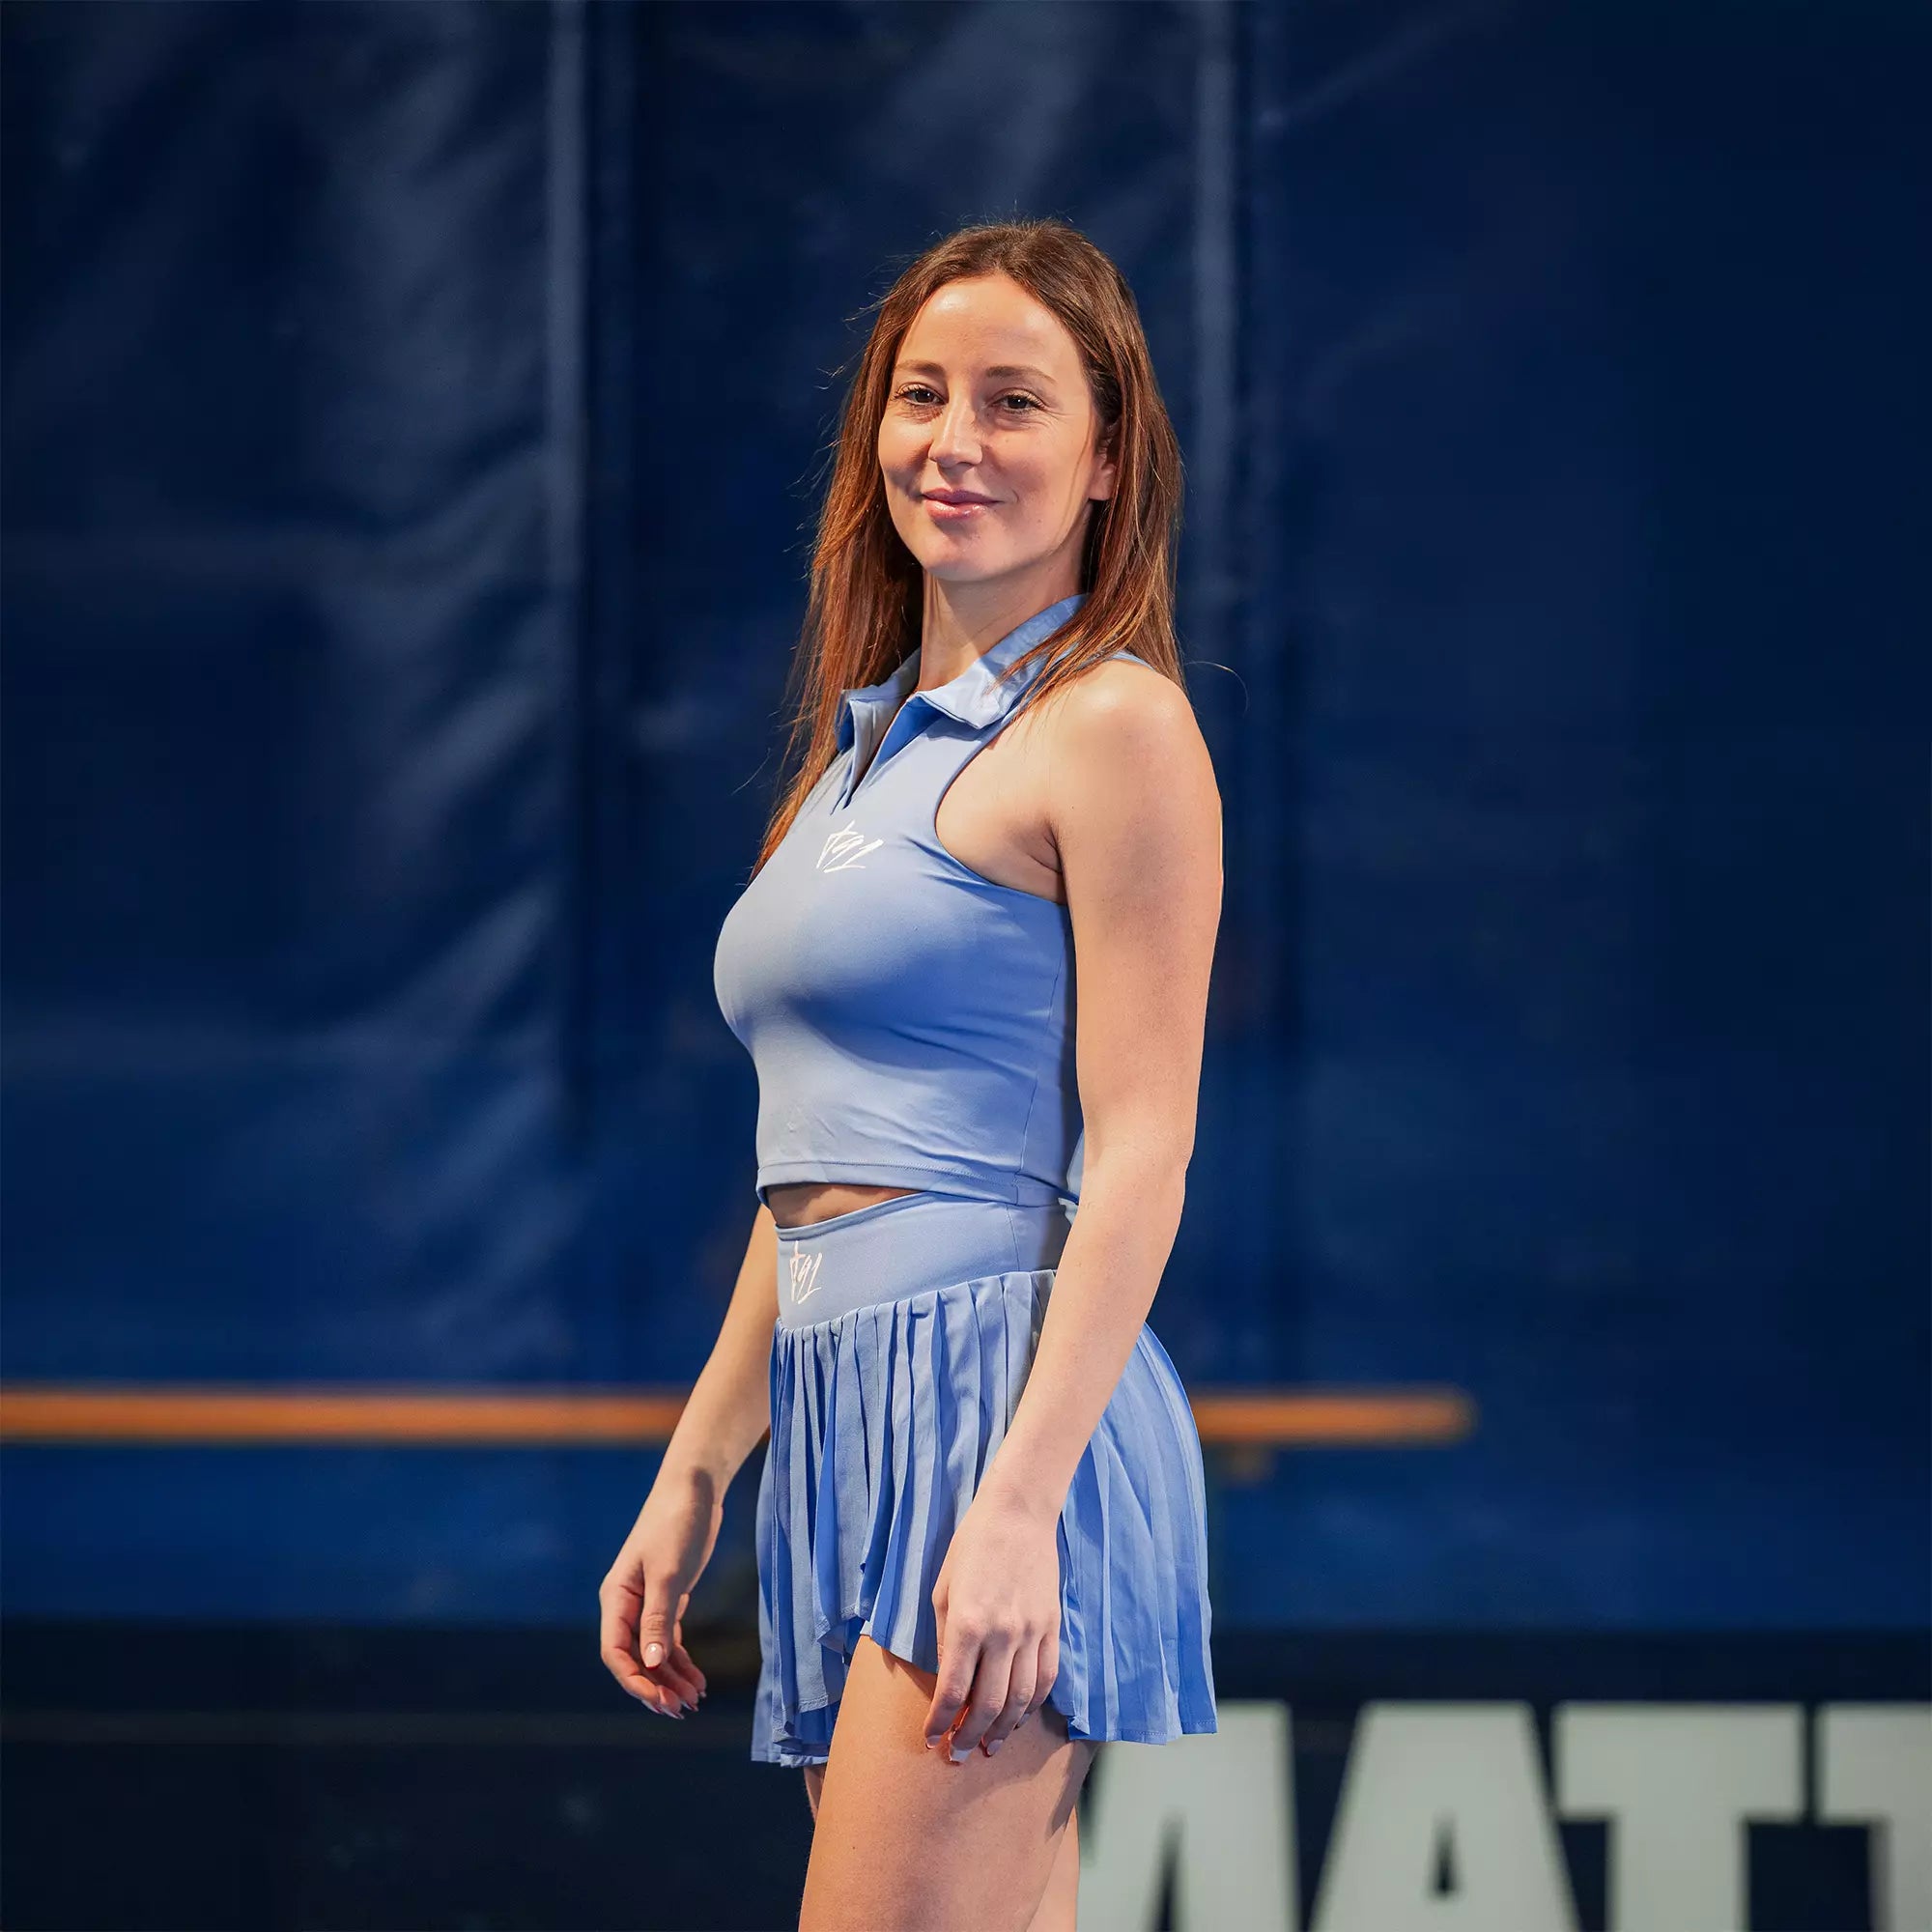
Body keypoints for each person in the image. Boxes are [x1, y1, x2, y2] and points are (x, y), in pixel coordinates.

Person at [600, 216, 1222, 1932]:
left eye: (1015, 401)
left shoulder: (1114, 726)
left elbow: (1143, 1147)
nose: (956, 439)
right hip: (840, 1416)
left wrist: (1020, 1499)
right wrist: (700, 1465)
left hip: (999, 1414)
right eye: (921, 393)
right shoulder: (852, 761)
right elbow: (810, 1170)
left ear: (1108, 458)